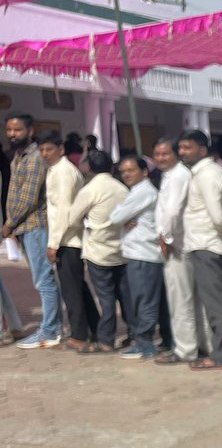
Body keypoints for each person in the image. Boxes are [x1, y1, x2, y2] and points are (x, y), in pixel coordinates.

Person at [178, 129, 222, 370]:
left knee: (214, 303)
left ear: (202, 150)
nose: (183, 152)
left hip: (207, 244)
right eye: (182, 148)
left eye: (188, 148)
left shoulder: (207, 175)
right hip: (208, 243)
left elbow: (218, 216)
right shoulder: (211, 172)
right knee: (219, 300)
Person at [2, 112, 61, 348]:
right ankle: (51, 326)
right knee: (42, 279)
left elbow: (28, 198)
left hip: (35, 225)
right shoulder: (19, 157)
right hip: (25, 227)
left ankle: (49, 329)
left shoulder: (35, 157)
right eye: (9, 130)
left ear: (30, 131)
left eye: (17, 130)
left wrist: (8, 224)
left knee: (43, 280)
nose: (12, 134)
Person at [151, 137, 206, 366]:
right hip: (177, 243)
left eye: (166, 153)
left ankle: (185, 350)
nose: (161, 158)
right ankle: (195, 344)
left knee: (180, 300)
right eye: (158, 154)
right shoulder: (171, 175)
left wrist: (166, 237)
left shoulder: (178, 175)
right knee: (185, 298)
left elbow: (173, 211)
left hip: (177, 245)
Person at [41, 130, 96, 351]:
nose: (45, 154)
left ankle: (79, 336)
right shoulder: (55, 170)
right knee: (78, 288)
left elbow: (64, 209)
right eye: (42, 150)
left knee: (72, 291)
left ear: (61, 150)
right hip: (66, 238)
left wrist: (54, 243)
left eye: (49, 149)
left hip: (68, 240)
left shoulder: (63, 172)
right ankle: (95, 328)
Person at [69, 149, 128, 353]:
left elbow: (72, 218)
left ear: (89, 168)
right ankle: (135, 334)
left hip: (98, 250)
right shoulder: (122, 188)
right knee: (124, 295)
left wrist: (90, 223)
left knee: (106, 298)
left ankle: (106, 340)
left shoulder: (90, 190)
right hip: (120, 249)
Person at [111, 154, 163, 360]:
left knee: (144, 301)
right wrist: (125, 218)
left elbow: (115, 217)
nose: (126, 175)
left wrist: (124, 217)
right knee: (142, 300)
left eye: (131, 170)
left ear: (144, 172)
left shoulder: (143, 192)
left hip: (144, 254)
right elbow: (119, 217)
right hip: (138, 253)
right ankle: (144, 341)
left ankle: (145, 344)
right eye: (123, 171)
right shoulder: (139, 192)